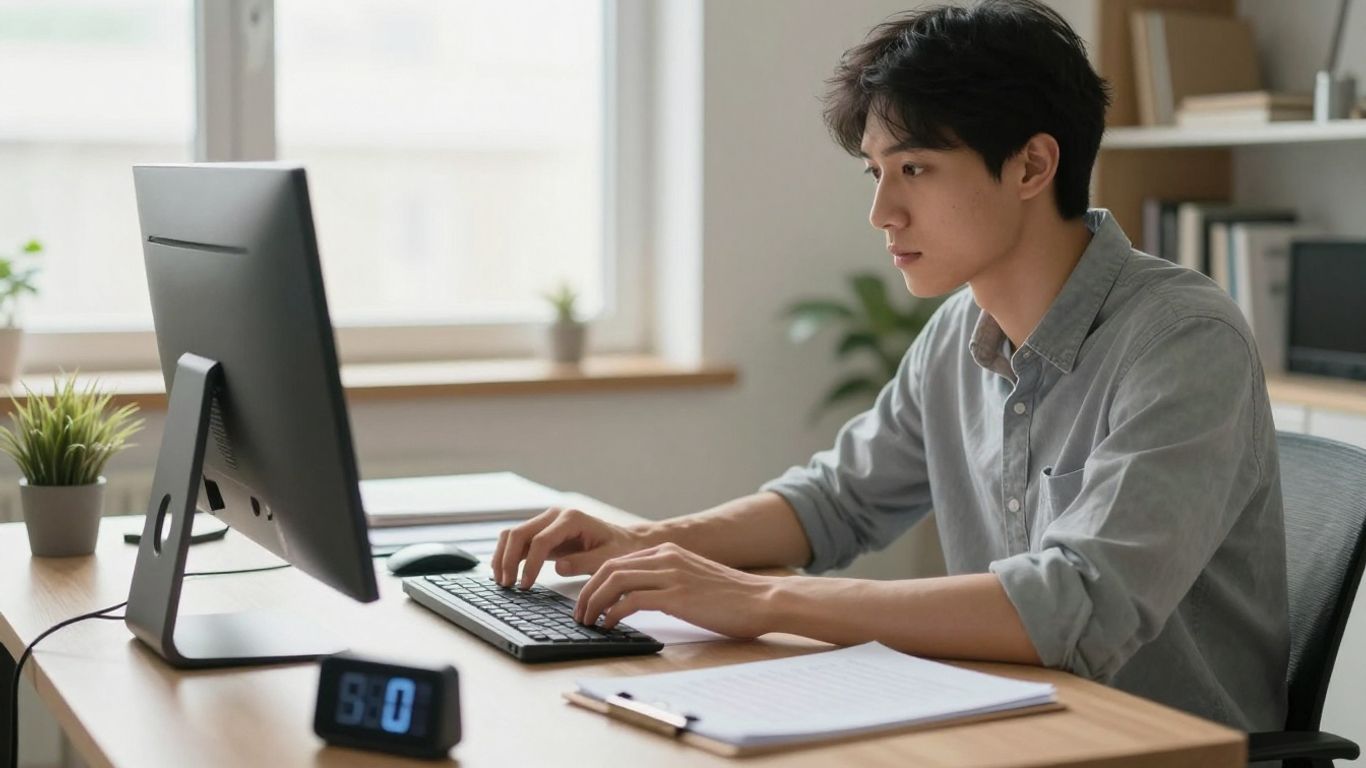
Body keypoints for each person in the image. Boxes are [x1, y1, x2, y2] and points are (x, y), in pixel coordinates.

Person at [491, 0, 1288, 732]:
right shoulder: (958, 332)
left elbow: (1077, 604)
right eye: (876, 173)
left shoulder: (1182, 340)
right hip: (1009, 727)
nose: (881, 213)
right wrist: (644, 541)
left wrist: (762, 598)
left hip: (1154, 746)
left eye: (914, 169)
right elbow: (837, 502)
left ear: (1031, 167)